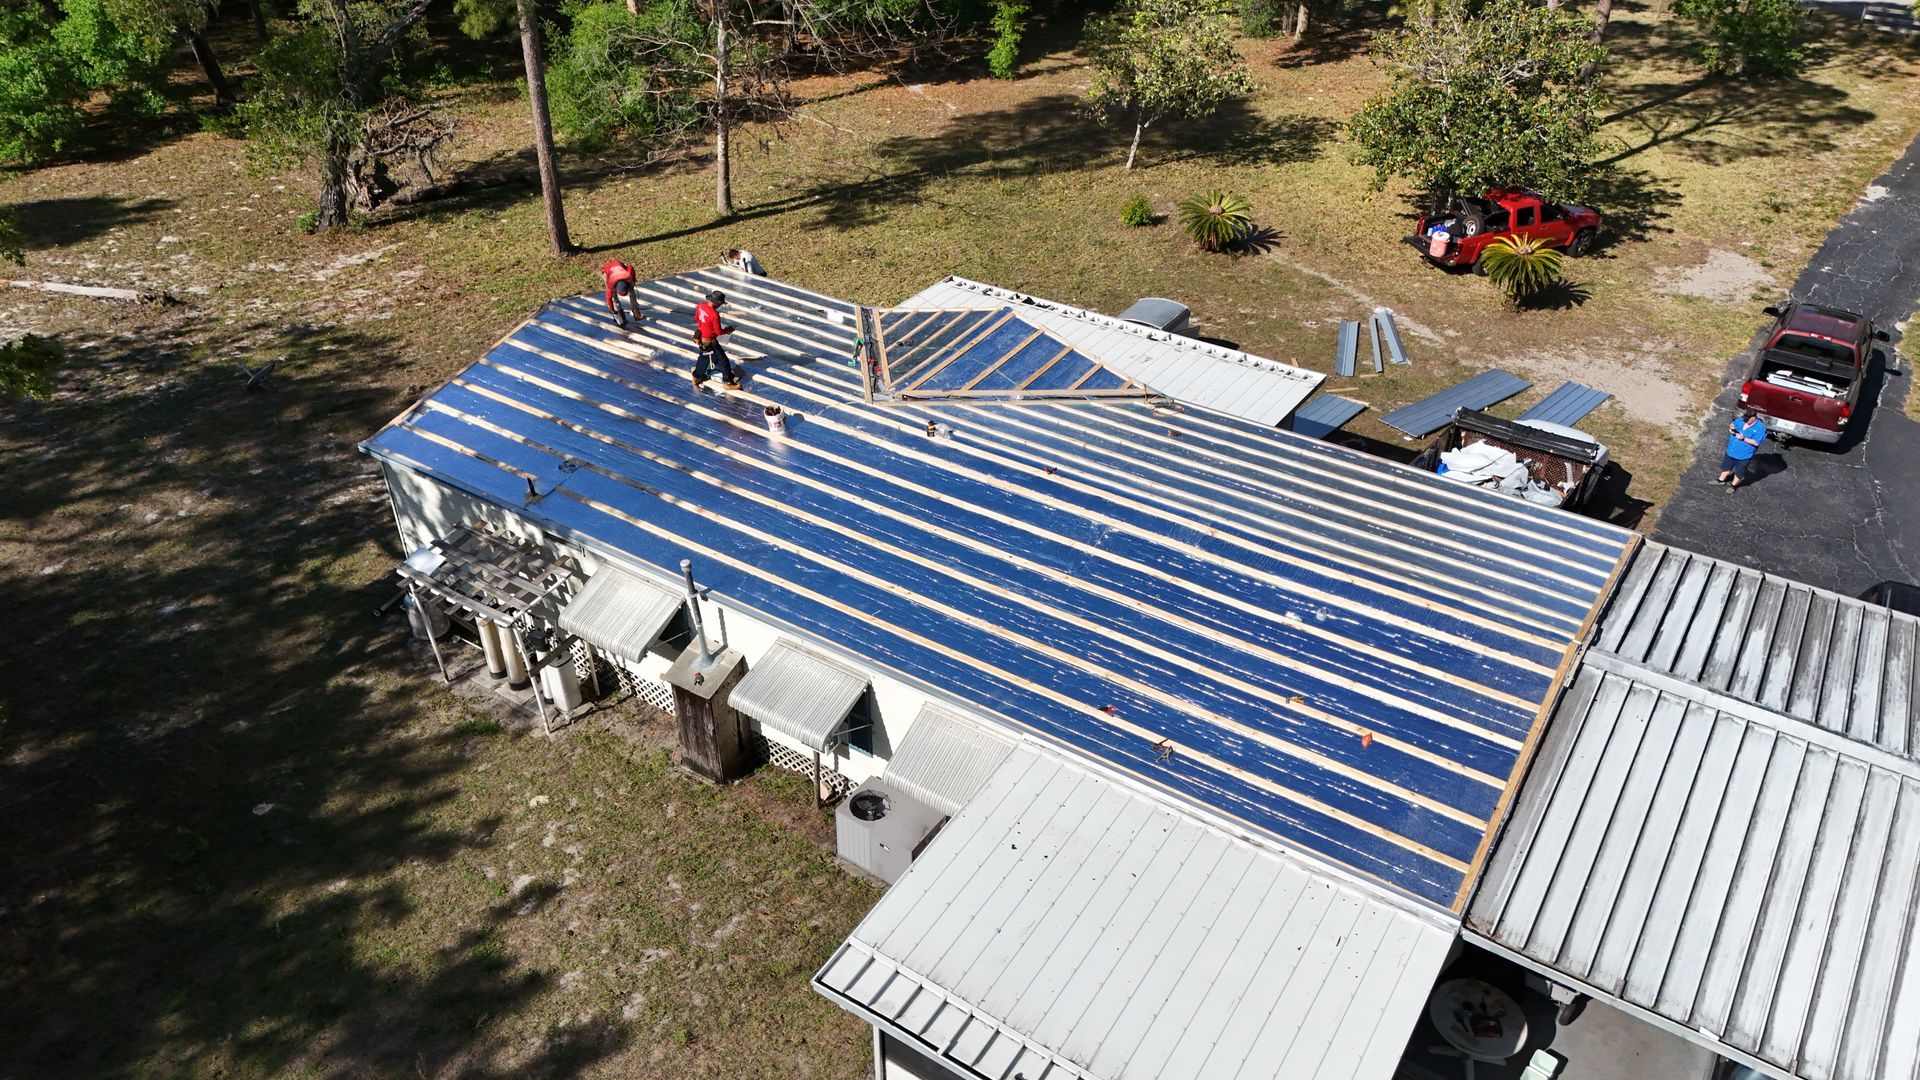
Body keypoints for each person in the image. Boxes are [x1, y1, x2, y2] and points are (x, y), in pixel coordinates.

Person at [692, 289, 739, 388]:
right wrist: (728, 330)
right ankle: (728, 382)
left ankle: (697, 377)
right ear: (717, 304)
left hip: (700, 338)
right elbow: (718, 332)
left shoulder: (701, 305)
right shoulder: (714, 314)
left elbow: (696, 319)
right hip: (710, 340)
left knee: (704, 358)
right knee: (723, 360)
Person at [1718, 407, 1768, 490]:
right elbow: (1732, 428)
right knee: (1726, 467)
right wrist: (1731, 428)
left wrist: (1743, 438)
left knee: (1739, 472)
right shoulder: (1741, 420)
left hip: (1743, 456)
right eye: (1744, 418)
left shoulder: (1760, 428)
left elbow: (1756, 442)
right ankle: (1721, 480)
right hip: (1731, 451)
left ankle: (1733, 486)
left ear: (1753, 418)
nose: (1744, 420)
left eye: (1747, 419)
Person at [600, 259, 639, 327]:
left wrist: (633, 279)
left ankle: (635, 311)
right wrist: (614, 312)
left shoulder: (629, 275)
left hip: (620, 270)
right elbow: (608, 299)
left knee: (632, 290)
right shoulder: (610, 284)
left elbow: (630, 266)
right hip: (608, 272)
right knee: (613, 297)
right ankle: (619, 312)